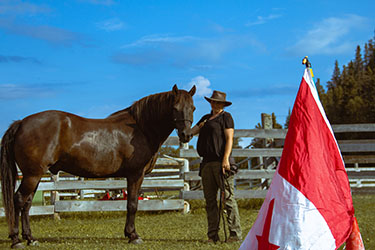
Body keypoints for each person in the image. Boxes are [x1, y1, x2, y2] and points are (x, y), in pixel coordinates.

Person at [191, 90, 242, 243]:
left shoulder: (226, 117)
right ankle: (212, 235)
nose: (214, 104)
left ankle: (234, 234)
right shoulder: (205, 119)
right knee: (210, 201)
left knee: (228, 199)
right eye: (213, 101)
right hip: (206, 163)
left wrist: (226, 159)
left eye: (217, 102)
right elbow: (191, 132)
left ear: (222, 104)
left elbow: (229, 139)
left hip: (221, 162)